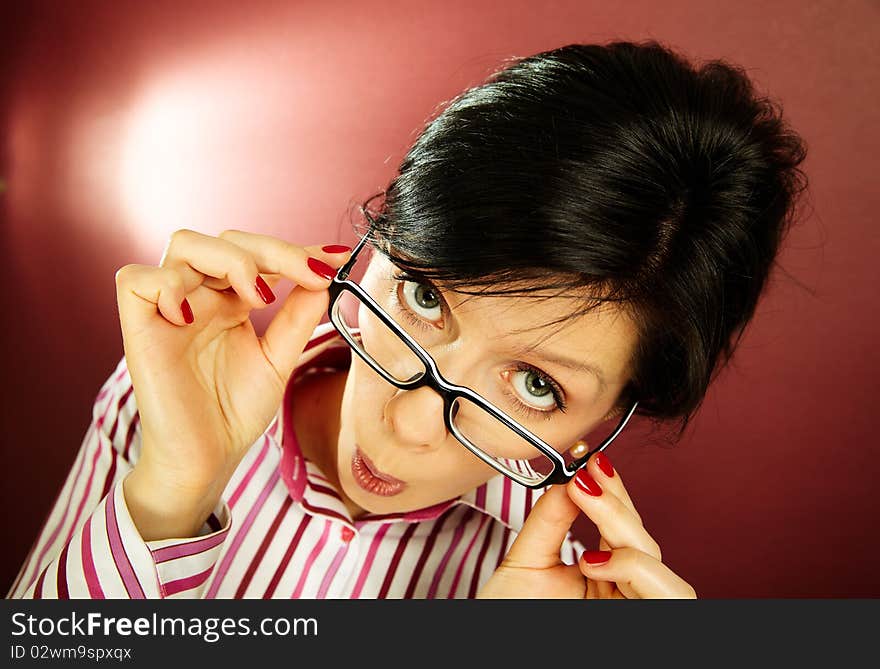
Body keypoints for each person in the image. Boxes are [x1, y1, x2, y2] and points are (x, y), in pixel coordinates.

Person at [8, 39, 807, 599]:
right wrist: (168, 491)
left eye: (534, 384)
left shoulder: (559, 598)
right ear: (376, 243)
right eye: (425, 298)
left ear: (603, 424)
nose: (410, 425)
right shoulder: (170, 393)